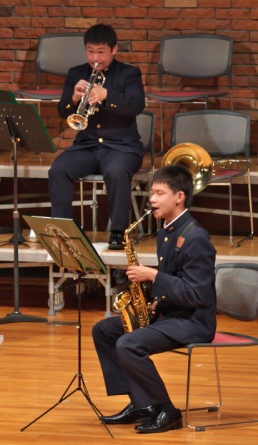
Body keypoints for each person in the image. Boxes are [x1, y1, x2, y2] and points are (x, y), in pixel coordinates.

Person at [92, 164, 217, 434]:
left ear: (179, 196)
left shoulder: (196, 237)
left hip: (194, 321)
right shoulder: (167, 232)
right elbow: (173, 282)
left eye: (160, 193)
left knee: (129, 344)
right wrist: (152, 298)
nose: (152, 199)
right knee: (104, 330)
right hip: (172, 314)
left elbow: (196, 293)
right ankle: (141, 403)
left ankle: (167, 411)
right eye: (152, 193)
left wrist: (153, 275)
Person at [50, 23, 146, 250]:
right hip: (87, 145)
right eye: (90, 51)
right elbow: (63, 111)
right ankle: (63, 231)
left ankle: (118, 232)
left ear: (114, 49)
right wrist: (74, 98)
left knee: (116, 172)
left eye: (101, 52)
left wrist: (107, 95)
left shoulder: (129, 74)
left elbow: (136, 106)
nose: (95, 58)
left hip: (122, 147)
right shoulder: (76, 73)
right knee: (58, 169)